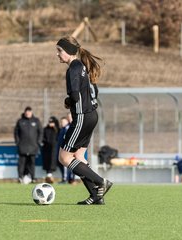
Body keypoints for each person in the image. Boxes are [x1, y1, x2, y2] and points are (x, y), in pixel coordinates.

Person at [56, 36, 113, 205]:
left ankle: (100, 181)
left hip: (82, 117)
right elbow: (93, 90)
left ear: (70, 52)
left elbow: (74, 95)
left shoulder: (73, 68)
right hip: (91, 116)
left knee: (64, 158)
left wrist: (69, 101)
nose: (57, 55)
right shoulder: (83, 67)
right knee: (79, 156)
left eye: (60, 51)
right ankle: (96, 196)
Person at [14, 106, 43, 184]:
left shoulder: (36, 121)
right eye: (26, 112)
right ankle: (20, 177)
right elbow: (16, 132)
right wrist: (17, 142)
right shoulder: (20, 121)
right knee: (21, 163)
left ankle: (33, 178)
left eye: (29, 112)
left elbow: (40, 132)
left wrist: (38, 142)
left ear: (31, 112)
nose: (28, 113)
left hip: (33, 146)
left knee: (32, 163)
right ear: (24, 112)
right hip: (22, 146)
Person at [42, 116, 60, 184]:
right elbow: (43, 137)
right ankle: (48, 176)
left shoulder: (57, 129)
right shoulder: (46, 129)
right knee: (47, 161)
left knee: (53, 161)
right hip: (46, 148)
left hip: (55, 148)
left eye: (52, 122)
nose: (50, 124)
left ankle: (50, 176)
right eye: (49, 122)